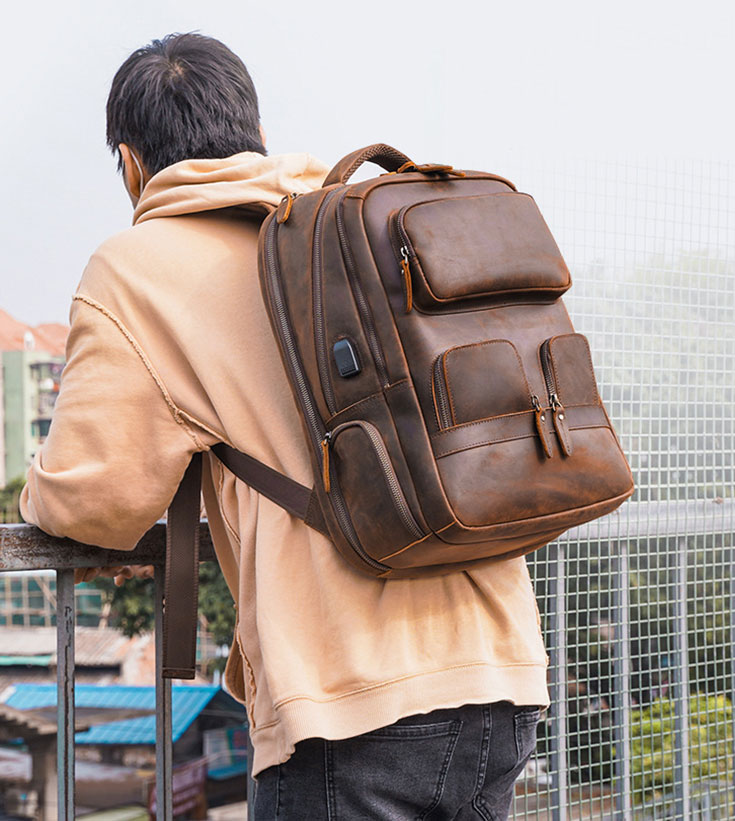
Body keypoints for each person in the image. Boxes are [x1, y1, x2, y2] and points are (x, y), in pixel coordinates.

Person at [20, 32, 550, 819]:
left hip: (349, 706)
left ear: (129, 164)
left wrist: (36, 495)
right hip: (499, 672)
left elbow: (92, 503)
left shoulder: (136, 269)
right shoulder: (353, 220)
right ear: (255, 137)